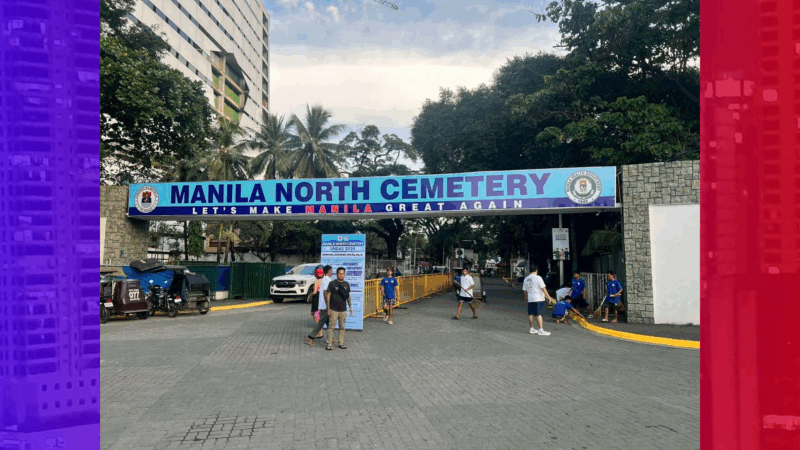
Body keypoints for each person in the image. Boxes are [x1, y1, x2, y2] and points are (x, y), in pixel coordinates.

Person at [522, 265, 555, 335]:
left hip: (530, 298)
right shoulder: (538, 278)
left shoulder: (526, 279)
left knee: (531, 314)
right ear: (536, 271)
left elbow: (525, 290)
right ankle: (540, 330)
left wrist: (526, 298)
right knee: (539, 314)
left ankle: (532, 328)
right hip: (538, 298)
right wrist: (548, 296)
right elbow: (543, 288)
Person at [325, 267, 353, 350]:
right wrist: (328, 308)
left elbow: (348, 297)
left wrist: (350, 306)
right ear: (337, 274)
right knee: (331, 327)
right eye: (340, 273)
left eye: (343, 273)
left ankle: (341, 343)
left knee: (342, 327)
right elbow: (328, 296)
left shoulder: (346, 284)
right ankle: (329, 344)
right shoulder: (332, 283)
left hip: (343, 310)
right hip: (334, 309)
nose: (341, 275)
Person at [305, 265, 333, 345]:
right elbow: (326, 293)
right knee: (322, 322)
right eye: (332, 270)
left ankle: (331, 338)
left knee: (328, 322)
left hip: (324, 304)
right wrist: (328, 305)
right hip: (325, 305)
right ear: (329, 271)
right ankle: (310, 337)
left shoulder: (324, 279)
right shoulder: (326, 280)